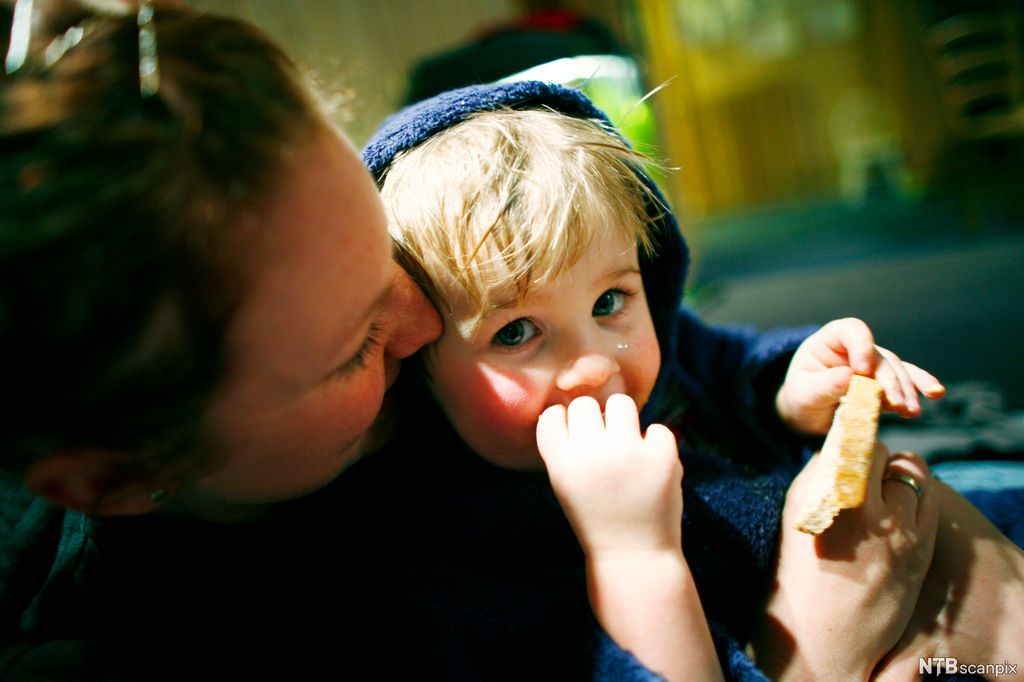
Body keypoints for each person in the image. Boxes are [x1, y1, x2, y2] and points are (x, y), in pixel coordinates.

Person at [0, 4, 994, 681]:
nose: (424, 326)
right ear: (123, 476)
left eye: (387, 264)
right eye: (354, 344)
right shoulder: (348, 598)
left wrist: (790, 380)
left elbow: (708, 358)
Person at [364, 80, 1024, 680]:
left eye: (609, 302)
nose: (597, 364)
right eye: (515, 333)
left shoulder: (671, 356)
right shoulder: (461, 563)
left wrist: (793, 392)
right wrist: (631, 551)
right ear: (417, 369)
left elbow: (734, 368)